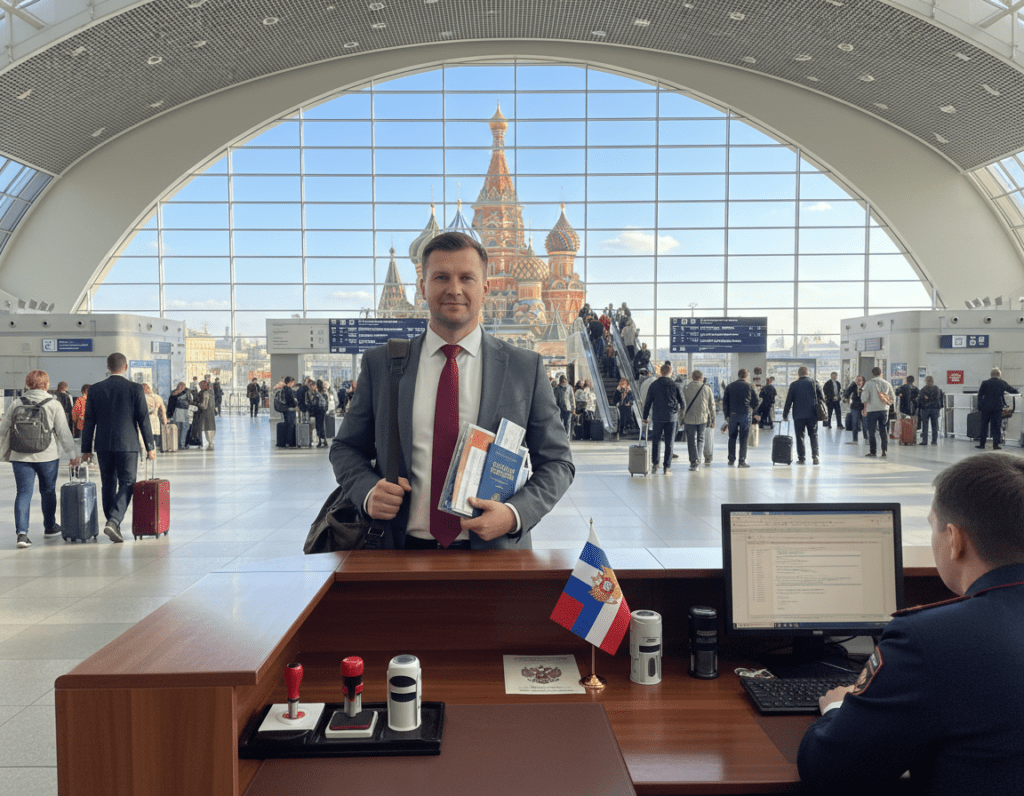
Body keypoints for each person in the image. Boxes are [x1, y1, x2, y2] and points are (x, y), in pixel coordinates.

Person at [331, 231, 574, 551]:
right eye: (441, 277)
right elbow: (346, 448)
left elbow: (558, 462)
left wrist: (514, 514)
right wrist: (366, 491)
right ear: (423, 287)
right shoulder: (383, 364)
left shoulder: (523, 367)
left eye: (467, 277)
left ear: (486, 288)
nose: (454, 289)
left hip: (495, 557)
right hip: (399, 552)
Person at [798, 453, 1024, 795]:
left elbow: (830, 772)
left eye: (933, 526)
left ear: (955, 540)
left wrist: (837, 708)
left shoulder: (929, 639)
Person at [80, 352, 156, 543]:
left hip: (103, 444)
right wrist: (150, 446)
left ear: (108, 367)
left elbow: (89, 421)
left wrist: (86, 448)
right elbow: (143, 419)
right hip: (128, 444)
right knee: (127, 481)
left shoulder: (96, 389)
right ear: (126, 367)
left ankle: (112, 521)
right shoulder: (135, 388)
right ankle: (113, 521)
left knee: (108, 482)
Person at [0, 370, 81, 548]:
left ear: (28, 384)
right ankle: (50, 526)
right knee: (48, 491)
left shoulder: (16, 403)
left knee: (23, 493)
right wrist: (73, 455)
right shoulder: (53, 404)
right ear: (46, 384)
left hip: (20, 456)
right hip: (48, 455)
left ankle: (22, 534)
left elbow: (3, 429)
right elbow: (63, 433)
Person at [642, 363, 684, 475]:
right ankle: (667, 467)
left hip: (657, 417)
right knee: (669, 443)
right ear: (670, 372)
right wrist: (679, 413)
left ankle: (655, 465)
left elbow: (648, 402)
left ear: (660, 372)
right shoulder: (675, 385)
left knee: (656, 441)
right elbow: (683, 403)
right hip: (671, 418)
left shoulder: (654, 385)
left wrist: (645, 417)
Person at [782, 366, 824, 465]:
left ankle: (801, 458)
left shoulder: (794, 385)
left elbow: (789, 401)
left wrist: (785, 415)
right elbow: (822, 398)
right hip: (812, 415)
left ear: (798, 374)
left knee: (800, 436)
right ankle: (815, 456)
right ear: (808, 373)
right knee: (813, 435)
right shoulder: (815, 383)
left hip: (798, 415)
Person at [679, 369, 715, 472]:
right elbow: (712, 405)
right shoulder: (707, 388)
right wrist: (713, 420)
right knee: (700, 439)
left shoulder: (685, 388)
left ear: (692, 377)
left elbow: (681, 406)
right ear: (701, 377)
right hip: (702, 418)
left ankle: (693, 462)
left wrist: (680, 419)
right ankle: (698, 460)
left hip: (689, 419)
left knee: (691, 440)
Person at [722, 369, 759, 467]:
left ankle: (731, 460)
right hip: (745, 415)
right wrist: (752, 410)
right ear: (746, 376)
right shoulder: (750, 386)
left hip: (733, 415)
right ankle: (741, 461)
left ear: (738, 375)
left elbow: (725, 403)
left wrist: (727, 416)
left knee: (732, 437)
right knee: (743, 438)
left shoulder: (730, 386)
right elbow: (756, 402)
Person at [976, 367, 1019, 450]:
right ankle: (995, 445)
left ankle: (982, 444)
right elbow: (1011, 390)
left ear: (991, 375)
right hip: (997, 408)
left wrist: (980, 406)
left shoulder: (985, 383)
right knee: (996, 426)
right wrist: (1018, 392)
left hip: (986, 408)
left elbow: (980, 395)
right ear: (999, 374)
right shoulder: (1002, 383)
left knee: (984, 426)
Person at [862, 366, 897, 459]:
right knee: (883, 430)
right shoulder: (887, 383)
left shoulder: (869, 384)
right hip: (883, 410)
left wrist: (865, 407)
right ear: (881, 373)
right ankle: (884, 450)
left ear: (872, 373)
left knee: (872, 431)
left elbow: (864, 398)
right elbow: (893, 397)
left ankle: (873, 451)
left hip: (872, 410)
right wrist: (887, 404)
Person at [917, 375, 944, 445]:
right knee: (934, 425)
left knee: (925, 426)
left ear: (926, 381)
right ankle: (934, 441)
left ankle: (925, 441)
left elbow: (921, 400)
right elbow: (937, 398)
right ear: (933, 381)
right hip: (935, 409)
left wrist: (927, 398)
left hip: (925, 409)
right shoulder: (937, 389)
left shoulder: (923, 389)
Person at [141, 383, 167, 454]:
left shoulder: (142, 397)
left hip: (145, 419)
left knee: (146, 436)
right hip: (155, 419)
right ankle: (154, 449)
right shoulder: (157, 397)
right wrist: (164, 420)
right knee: (154, 436)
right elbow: (163, 410)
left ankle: (148, 450)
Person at [275, 377, 299, 447]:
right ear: (290, 382)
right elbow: (291, 400)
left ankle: (286, 441)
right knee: (290, 426)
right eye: (293, 382)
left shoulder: (283, 389)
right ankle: (290, 442)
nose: (293, 384)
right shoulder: (289, 390)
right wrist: (295, 405)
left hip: (285, 410)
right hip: (290, 410)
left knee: (287, 424)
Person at [843, 375, 866, 444]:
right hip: (855, 406)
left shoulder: (866, 386)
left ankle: (866, 438)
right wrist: (850, 386)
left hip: (864, 406)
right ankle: (855, 439)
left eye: (859, 380)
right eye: (856, 380)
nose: (857, 382)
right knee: (854, 423)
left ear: (863, 382)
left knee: (865, 423)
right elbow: (846, 395)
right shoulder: (853, 386)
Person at [306, 379, 330, 447]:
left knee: (321, 426)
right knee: (318, 426)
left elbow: (323, 402)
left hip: (321, 411)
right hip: (317, 411)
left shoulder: (323, 393)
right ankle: (320, 440)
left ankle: (323, 440)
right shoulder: (317, 392)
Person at [169, 382, 192, 449]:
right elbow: (190, 401)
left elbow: (171, 404)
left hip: (179, 413)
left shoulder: (175, 392)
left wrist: (169, 415)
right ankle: (181, 444)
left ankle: (179, 444)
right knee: (183, 429)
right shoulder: (186, 392)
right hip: (182, 412)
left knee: (180, 429)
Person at [195, 380, 216, 449]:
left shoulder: (205, 393)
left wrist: (197, 404)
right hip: (211, 413)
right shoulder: (212, 392)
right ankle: (211, 442)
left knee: (207, 428)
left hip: (206, 413)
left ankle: (210, 443)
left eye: (201, 385)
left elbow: (204, 406)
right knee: (211, 427)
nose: (200, 387)